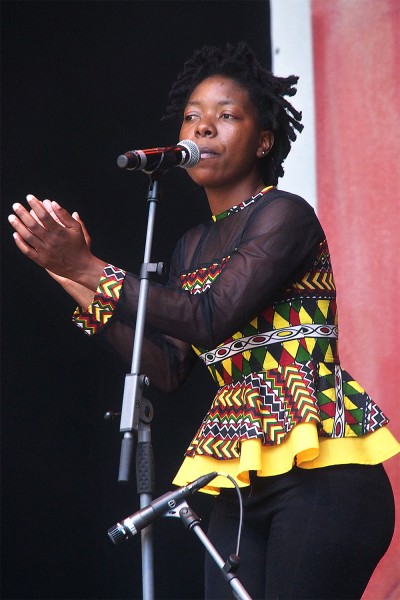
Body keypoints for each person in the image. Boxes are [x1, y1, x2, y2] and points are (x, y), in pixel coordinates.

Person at [8, 42, 399, 600]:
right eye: (193, 116)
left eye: (226, 115)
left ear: (264, 139)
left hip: (322, 479)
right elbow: (167, 367)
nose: (204, 127)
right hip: (238, 483)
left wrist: (92, 266)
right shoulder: (190, 246)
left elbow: (208, 317)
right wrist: (67, 274)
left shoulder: (284, 214)